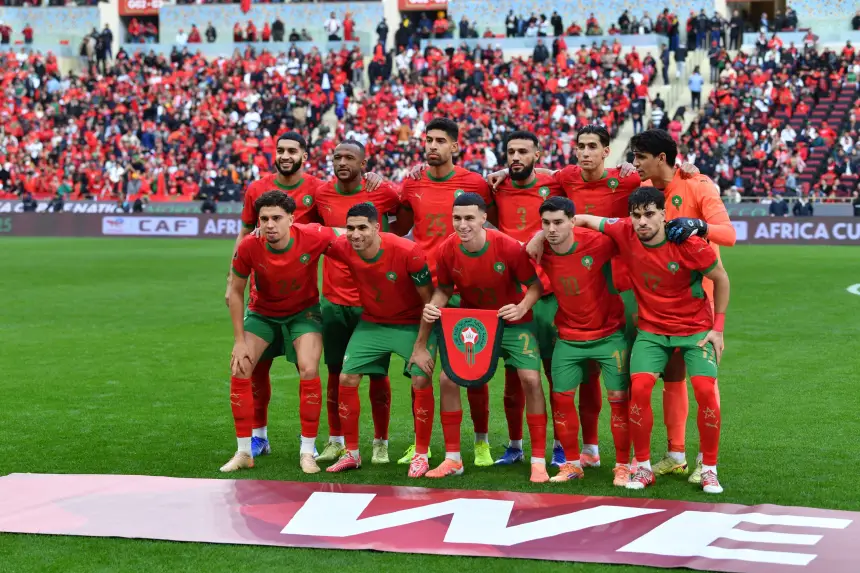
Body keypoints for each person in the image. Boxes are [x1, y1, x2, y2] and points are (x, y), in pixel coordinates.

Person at [572, 187, 730, 494]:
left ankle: (709, 468)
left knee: (705, 390)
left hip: (695, 330)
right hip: (652, 332)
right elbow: (585, 220)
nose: (642, 222)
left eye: (649, 215)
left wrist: (718, 329)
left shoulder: (689, 244)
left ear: (663, 215)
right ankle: (642, 466)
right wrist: (541, 235)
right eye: (636, 216)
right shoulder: (624, 230)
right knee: (640, 389)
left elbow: (722, 278)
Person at [409, 193, 549, 482]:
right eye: (457, 218)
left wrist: (522, 306)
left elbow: (534, 286)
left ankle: (538, 461)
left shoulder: (508, 247)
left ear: (484, 218)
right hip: (474, 323)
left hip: (513, 322)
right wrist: (435, 304)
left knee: (532, 380)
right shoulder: (447, 250)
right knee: (448, 379)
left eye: (469, 218)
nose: (463, 225)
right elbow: (445, 289)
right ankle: (453, 459)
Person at [628, 129, 736, 485]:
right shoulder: (647, 191)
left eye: (640, 157)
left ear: (660, 158)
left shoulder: (698, 184)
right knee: (670, 380)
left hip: (700, 300)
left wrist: (699, 225)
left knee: (705, 383)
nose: (634, 164)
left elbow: (729, 234)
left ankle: (707, 463)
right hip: (660, 304)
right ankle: (675, 455)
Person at [397, 118, 496, 466]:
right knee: (420, 367)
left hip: (462, 288)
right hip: (422, 288)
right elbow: (399, 224)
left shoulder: (475, 183)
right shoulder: (411, 182)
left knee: (472, 366)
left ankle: (481, 443)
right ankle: (419, 444)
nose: (432, 146)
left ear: (455, 145)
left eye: (440, 140)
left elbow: (492, 219)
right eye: (428, 140)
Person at [224, 132, 326, 460]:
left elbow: (336, 228)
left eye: (291, 150)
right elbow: (243, 234)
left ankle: (309, 442)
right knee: (254, 368)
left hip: (302, 297)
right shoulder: (256, 189)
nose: (284, 155)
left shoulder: (318, 189)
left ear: (303, 155)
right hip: (262, 296)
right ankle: (257, 438)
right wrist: (232, 276)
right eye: (280, 150)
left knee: (308, 368)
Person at [322, 203, 436, 478]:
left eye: (362, 227)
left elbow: (430, 302)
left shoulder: (408, 252)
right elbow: (309, 233)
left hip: (412, 324)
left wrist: (420, 347)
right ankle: (352, 453)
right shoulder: (343, 246)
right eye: (350, 228)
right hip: (372, 323)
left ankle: (421, 455)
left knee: (421, 378)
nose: (355, 234)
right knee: (346, 378)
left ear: (377, 227)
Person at [532, 196, 635, 486]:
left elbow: (629, 233)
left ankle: (623, 465)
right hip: (568, 337)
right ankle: (572, 464)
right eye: (546, 224)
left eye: (558, 222)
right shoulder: (541, 250)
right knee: (561, 399)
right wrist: (536, 237)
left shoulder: (597, 243)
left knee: (619, 401)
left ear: (572, 222)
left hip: (609, 335)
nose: (552, 229)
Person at [311, 140, 402, 466]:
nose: (342, 161)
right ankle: (336, 440)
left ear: (364, 163)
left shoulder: (384, 193)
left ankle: (380, 441)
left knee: (378, 374)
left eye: (349, 157)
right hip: (334, 300)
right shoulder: (322, 194)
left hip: (371, 301)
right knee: (335, 372)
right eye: (337, 156)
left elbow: (403, 219)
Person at [489, 131, 566, 468]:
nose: (516, 157)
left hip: (547, 293)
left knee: (553, 374)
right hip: (510, 295)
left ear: (538, 153)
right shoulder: (496, 186)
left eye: (523, 151)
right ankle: (516, 444)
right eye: (510, 152)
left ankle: (561, 444)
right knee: (514, 377)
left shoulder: (556, 184)